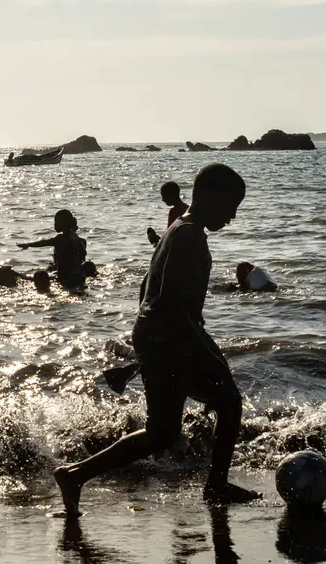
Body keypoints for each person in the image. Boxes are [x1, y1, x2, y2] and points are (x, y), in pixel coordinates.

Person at [54, 164, 260, 516]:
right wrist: (205, 352)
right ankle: (216, 485)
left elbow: (146, 287)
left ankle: (75, 475)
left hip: (158, 333)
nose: (233, 216)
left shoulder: (179, 228)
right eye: (231, 206)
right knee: (228, 402)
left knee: (163, 432)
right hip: (172, 336)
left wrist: (147, 337)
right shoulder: (190, 235)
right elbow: (173, 302)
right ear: (210, 196)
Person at [19, 209, 97, 293]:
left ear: (64, 222)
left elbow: (44, 242)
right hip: (79, 276)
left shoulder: (61, 238)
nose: (55, 225)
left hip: (66, 278)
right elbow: (83, 254)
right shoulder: (76, 237)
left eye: (57, 221)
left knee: (37, 276)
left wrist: (28, 245)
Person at [146, 180, 187, 246]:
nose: (162, 199)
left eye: (164, 196)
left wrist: (157, 242)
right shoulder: (188, 208)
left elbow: (170, 234)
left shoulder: (173, 211)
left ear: (171, 196)